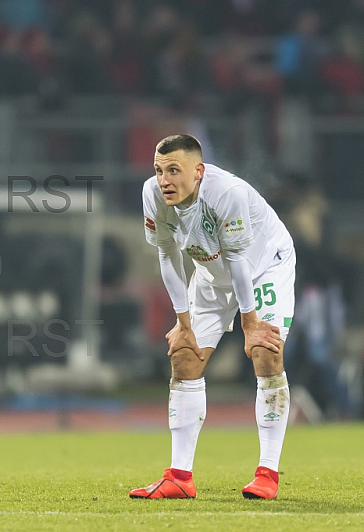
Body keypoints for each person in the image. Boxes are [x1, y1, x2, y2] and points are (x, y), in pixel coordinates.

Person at [131, 134, 294, 500]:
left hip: (265, 267)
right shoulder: (152, 194)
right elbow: (167, 255)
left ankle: (267, 472)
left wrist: (250, 324)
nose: (164, 180)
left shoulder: (227, 193)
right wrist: (183, 323)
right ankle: (178, 477)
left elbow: (239, 260)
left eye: (174, 170)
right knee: (185, 357)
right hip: (211, 272)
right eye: (159, 170)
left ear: (199, 171)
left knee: (266, 351)